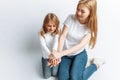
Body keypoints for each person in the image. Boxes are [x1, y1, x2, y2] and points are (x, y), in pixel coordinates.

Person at [49, 0, 105, 80]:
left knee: (75, 78)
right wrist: (58, 54)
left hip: (79, 54)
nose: (79, 13)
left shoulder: (90, 29)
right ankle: (76, 66)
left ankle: (95, 64)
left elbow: (79, 45)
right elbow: (63, 36)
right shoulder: (70, 18)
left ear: (90, 13)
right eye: (78, 9)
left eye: (82, 11)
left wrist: (60, 54)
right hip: (66, 55)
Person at [39, 13, 60, 79]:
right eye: (49, 26)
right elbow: (43, 46)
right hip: (46, 56)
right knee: (46, 76)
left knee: (55, 74)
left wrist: (53, 56)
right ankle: (43, 62)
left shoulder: (57, 32)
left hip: (54, 56)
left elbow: (56, 42)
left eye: (54, 26)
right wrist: (50, 56)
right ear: (45, 25)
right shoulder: (41, 34)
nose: (52, 28)